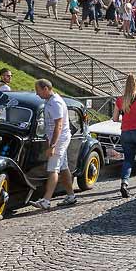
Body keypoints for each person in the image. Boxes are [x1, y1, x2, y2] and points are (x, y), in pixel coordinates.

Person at [29, 79, 77, 210]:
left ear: (45, 89)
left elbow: (59, 125)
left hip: (59, 139)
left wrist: (53, 145)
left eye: (38, 90)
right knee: (63, 167)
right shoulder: (50, 101)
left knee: (53, 169)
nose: (37, 94)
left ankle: (46, 200)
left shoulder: (55, 103)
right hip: (58, 138)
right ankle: (71, 195)